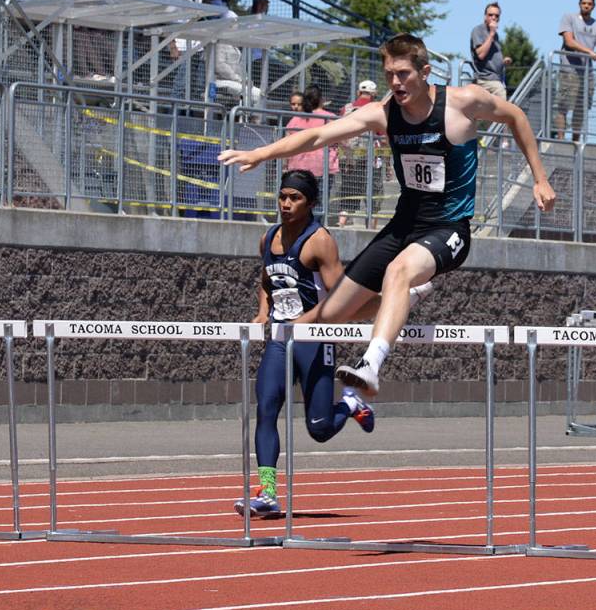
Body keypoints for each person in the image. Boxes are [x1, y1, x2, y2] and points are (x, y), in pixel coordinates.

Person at [219, 33, 556, 396]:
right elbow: (319, 137)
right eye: (390, 75)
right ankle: (405, 299)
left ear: (425, 72)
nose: (396, 83)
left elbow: (516, 116)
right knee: (333, 314)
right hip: (403, 226)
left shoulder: (463, 102)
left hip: (448, 228)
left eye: (404, 74)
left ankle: (371, 364)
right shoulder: (384, 113)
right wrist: (261, 154)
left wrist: (539, 178)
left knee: (399, 271)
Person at [232, 170, 376, 518]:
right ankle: (267, 493)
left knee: (319, 429)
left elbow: (340, 299)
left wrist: (306, 322)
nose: (285, 204)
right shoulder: (268, 238)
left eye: (294, 198)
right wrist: (262, 312)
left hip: (315, 340)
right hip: (281, 339)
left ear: (310, 203)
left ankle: (350, 405)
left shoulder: (320, 241)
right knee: (266, 408)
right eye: (282, 196)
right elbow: (267, 279)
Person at [555, 0, 596, 141]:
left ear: (594, 6)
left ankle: (575, 141)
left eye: (589, 4)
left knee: (581, 108)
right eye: (584, 3)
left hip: (586, 73)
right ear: (579, 4)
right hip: (569, 69)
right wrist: (589, 52)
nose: (586, 6)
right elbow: (569, 41)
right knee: (564, 106)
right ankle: (560, 139)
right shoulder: (569, 18)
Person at [335, 79, 384, 227]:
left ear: (358, 92)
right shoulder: (376, 109)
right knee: (374, 194)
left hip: (348, 156)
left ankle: (341, 223)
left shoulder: (346, 108)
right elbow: (381, 135)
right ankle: (371, 227)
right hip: (370, 158)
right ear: (374, 94)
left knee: (348, 190)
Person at [283, 84, 339, 210]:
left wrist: (284, 165)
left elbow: (286, 143)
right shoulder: (329, 118)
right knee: (319, 204)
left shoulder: (295, 119)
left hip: (297, 168)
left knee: (298, 203)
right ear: (321, 100)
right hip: (322, 167)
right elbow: (343, 140)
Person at [469, 2, 511, 100]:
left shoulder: (496, 35)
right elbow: (481, 55)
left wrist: (503, 61)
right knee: (501, 95)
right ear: (485, 16)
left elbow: (491, 57)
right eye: (490, 15)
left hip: (496, 78)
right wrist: (491, 33)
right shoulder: (478, 30)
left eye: (496, 15)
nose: (493, 17)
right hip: (485, 79)